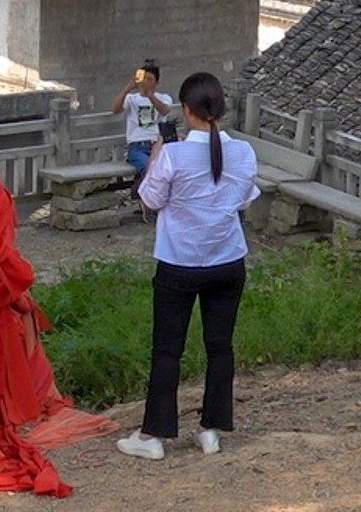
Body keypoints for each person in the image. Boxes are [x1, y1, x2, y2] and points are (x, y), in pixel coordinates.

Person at [117, 72, 258, 460]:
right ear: (221, 109)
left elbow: (151, 199)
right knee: (220, 347)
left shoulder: (175, 155)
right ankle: (211, 429)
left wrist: (160, 154)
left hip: (179, 262)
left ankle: (155, 436)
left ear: (185, 110)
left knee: (167, 349)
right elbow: (244, 200)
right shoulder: (243, 153)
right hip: (228, 259)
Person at [109, 60, 174, 183]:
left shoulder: (163, 98)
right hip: (137, 147)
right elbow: (115, 109)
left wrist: (150, 95)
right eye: (144, 79)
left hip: (157, 145)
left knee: (166, 169)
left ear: (157, 83)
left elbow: (165, 110)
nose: (145, 83)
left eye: (149, 79)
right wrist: (127, 89)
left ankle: (143, 192)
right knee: (149, 169)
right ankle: (146, 195)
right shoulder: (131, 99)